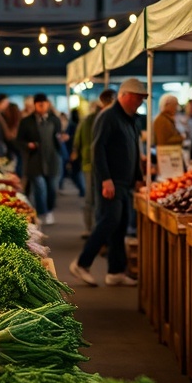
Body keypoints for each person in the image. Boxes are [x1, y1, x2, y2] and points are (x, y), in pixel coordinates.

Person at [70, 79, 147, 287]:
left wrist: (139, 177)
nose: (141, 101)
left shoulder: (131, 119)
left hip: (124, 182)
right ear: (125, 95)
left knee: (120, 225)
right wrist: (106, 180)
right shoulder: (109, 116)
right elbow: (98, 149)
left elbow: (135, 150)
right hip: (110, 182)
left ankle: (115, 271)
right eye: (139, 97)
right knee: (109, 220)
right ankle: (82, 263)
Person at [72, 89, 116, 237]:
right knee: (94, 198)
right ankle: (93, 230)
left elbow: (78, 138)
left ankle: (91, 229)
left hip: (89, 162)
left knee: (92, 197)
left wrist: (76, 151)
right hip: (94, 163)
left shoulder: (90, 119)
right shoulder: (102, 118)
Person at [16, 94, 65, 225]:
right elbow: (19, 140)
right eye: (39, 104)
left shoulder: (55, 120)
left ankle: (49, 210)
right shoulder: (26, 122)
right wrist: (27, 145)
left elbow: (58, 137)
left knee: (52, 188)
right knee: (40, 187)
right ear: (35, 105)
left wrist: (61, 140)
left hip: (52, 159)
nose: (42, 107)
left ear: (48, 104)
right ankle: (42, 212)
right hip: (35, 160)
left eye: (44, 104)